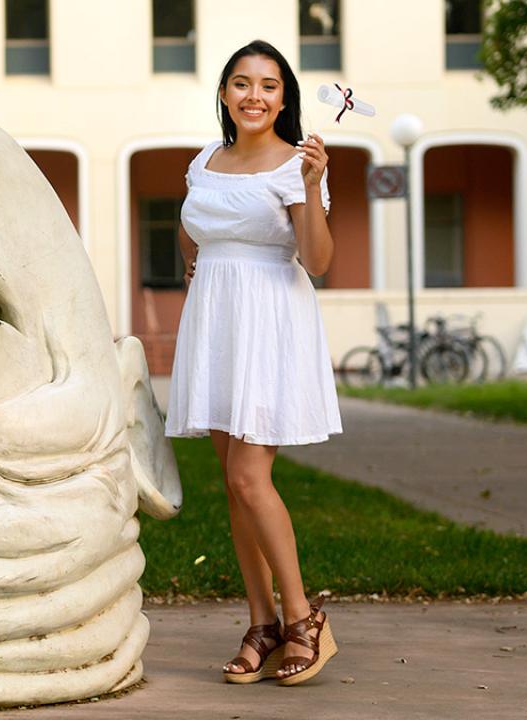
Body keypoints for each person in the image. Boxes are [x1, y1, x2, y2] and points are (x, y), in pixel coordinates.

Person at [164, 40, 341, 686]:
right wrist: (198, 260)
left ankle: (303, 621)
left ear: (284, 98)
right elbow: (193, 227)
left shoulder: (297, 164)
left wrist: (316, 186)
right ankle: (262, 622)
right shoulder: (204, 161)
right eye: (242, 84)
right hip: (216, 323)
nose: (254, 96)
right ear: (224, 94)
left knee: (248, 477)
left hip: (272, 322)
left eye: (268, 86)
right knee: (232, 485)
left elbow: (317, 260)